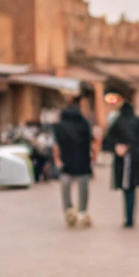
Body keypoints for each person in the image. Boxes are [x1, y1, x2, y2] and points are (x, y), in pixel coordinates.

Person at [102, 97, 139, 227]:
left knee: (127, 189)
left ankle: (128, 217)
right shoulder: (136, 121)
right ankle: (129, 216)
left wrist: (119, 147)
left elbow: (106, 142)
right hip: (131, 160)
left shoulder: (117, 121)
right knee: (130, 189)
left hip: (127, 160)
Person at [53, 96, 93, 227]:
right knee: (83, 190)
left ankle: (69, 211)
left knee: (65, 189)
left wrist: (57, 160)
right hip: (83, 163)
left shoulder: (59, 127)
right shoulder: (85, 125)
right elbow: (92, 143)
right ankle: (82, 213)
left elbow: (56, 145)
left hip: (67, 164)